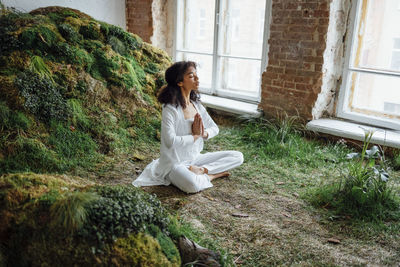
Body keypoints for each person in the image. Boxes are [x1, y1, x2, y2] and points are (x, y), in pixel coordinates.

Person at [132, 61, 243, 193]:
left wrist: (203, 134)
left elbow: (214, 128)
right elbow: (170, 141)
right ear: (180, 82)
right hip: (174, 163)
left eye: (196, 74)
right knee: (192, 186)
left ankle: (202, 171)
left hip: (195, 159)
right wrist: (194, 136)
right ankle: (212, 175)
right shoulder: (170, 108)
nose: (197, 78)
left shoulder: (196, 105)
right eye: (191, 76)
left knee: (237, 156)